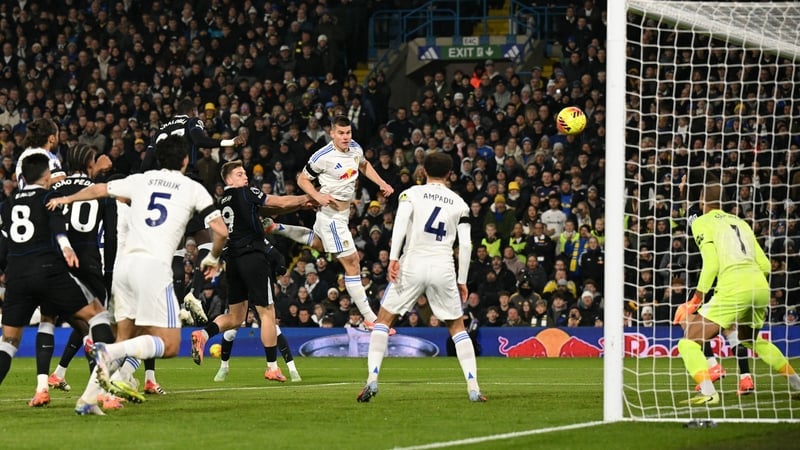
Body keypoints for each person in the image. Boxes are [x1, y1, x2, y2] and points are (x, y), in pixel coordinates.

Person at [46, 134, 229, 415]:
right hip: (153, 268)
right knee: (168, 345)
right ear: (185, 160)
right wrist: (213, 256)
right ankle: (108, 354)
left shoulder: (141, 179)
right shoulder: (193, 188)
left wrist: (65, 198)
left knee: (128, 335)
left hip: (124, 267)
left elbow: (99, 190)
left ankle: (87, 399)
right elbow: (221, 230)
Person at [356, 152, 485, 403]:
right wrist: (462, 279)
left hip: (412, 262)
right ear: (449, 174)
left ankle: (372, 379)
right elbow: (467, 245)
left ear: (423, 170)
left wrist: (393, 258)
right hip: (443, 265)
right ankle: (473, 386)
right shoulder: (459, 203)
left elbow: (401, 224)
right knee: (457, 327)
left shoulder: (410, 194)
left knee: (383, 321)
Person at [0, 154, 116, 414]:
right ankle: (103, 387)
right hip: (49, 271)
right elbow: (57, 226)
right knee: (98, 316)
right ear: (45, 176)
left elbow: (4, 243)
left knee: (8, 342)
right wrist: (66, 248)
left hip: (17, 276)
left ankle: (46, 383)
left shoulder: (7, 205)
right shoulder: (47, 198)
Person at [673, 185, 800, 404]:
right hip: (759, 287)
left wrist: (696, 299)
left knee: (688, 342)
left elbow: (711, 264)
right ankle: (797, 384)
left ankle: (708, 392)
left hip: (733, 288)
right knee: (751, 339)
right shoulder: (741, 222)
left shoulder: (702, 222)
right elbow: (766, 265)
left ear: (703, 201)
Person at [265, 116, 394, 327]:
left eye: (348, 133)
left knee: (320, 244)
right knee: (352, 262)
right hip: (331, 216)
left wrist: (382, 183)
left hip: (342, 214)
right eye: (341, 133)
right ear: (332, 133)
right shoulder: (322, 156)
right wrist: (317, 196)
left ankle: (276, 227)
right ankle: (371, 319)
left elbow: (364, 164)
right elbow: (302, 180)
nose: (345, 137)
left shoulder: (355, 148)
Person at [190, 160, 312, 382]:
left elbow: (265, 210)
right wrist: (308, 197)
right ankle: (272, 367)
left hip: (233, 261)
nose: (244, 177)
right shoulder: (246, 193)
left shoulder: (221, 202)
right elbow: (278, 202)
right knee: (267, 313)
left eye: (244, 173)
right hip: (253, 257)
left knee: (236, 317)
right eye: (239, 174)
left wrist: (299, 206)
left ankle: (204, 334)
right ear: (228, 180)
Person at [40, 144, 120, 409]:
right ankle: (101, 390)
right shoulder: (101, 191)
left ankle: (45, 383)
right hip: (88, 263)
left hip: (58, 264)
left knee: (50, 322)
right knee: (99, 324)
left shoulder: (56, 190)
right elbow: (111, 236)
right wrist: (108, 273)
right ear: (89, 164)